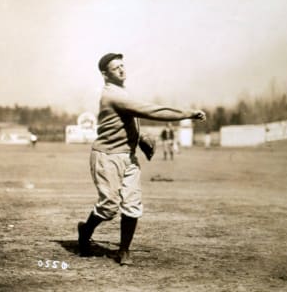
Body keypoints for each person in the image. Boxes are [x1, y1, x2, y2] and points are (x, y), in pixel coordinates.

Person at [77, 53, 206, 266]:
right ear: (104, 74)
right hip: (107, 157)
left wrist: (140, 138)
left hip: (128, 156)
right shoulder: (112, 95)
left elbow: (127, 120)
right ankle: (85, 230)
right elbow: (151, 111)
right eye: (115, 67)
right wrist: (187, 113)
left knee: (132, 204)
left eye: (122, 65)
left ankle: (124, 250)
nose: (121, 70)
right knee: (108, 206)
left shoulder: (121, 92)